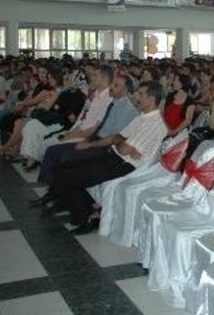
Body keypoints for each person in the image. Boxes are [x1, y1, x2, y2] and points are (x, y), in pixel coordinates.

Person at [50, 81, 167, 234]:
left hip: (123, 165)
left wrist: (121, 142)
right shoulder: (142, 116)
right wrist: (120, 142)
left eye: (140, 94)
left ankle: (88, 217)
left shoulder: (154, 122)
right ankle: (90, 209)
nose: (136, 97)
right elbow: (116, 138)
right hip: (113, 157)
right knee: (62, 166)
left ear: (151, 99)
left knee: (64, 177)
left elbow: (123, 149)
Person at [32, 73, 139, 207]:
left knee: (66, 158)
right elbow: (99, 126)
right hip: (94, 139)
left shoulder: (129, 111)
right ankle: (54, 192)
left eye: (116, 85)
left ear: (126, 90)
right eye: (112, 83)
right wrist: (86, 140)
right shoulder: (113, 103)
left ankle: (60, 196)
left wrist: (89, 144)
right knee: (52, 151)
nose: (111, 87)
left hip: (104, 147)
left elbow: (113, 138)